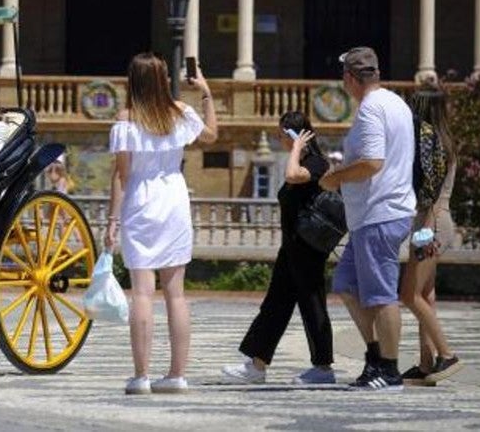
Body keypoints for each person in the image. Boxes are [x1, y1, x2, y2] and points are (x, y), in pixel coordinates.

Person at [106, 52, 218, 395]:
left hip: (141, 199)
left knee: (141, 291)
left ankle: (141, 377)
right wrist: (206, 91)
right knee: (176, 294)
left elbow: (122, 176)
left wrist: (111, 219)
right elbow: (212, 135)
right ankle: (176, 375)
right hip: (174, 197)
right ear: (163, 79)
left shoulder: (125, 120)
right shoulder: (180, 113)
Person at [319, 46, 416, 391]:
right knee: (346, 285)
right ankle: (375, 356)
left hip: (380, 213)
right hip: (375, 215)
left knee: (381, 295)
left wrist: (335, 177)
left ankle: (390, 371)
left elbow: (373, 162)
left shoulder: (372, 109)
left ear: (349, 77)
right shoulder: (395, 103)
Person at [221, 110, 336, 386]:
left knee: (312, 304)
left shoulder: (318, 163)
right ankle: (256, 365)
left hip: (308, 249)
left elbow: (294, 175)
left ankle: (323, 367)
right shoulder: (302, 159)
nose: (280, 140)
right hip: (292, 249)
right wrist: (295, 149)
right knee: (276, 305)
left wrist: (296, 148)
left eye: (282, 135)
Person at [399, 83, 463, 385]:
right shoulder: (446, 141)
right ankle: (426, 364)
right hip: (439, 222)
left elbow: (426, 192)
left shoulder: (429, 142)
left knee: (409, 294)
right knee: (425, 294)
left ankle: (446, 354)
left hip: (429, 225)